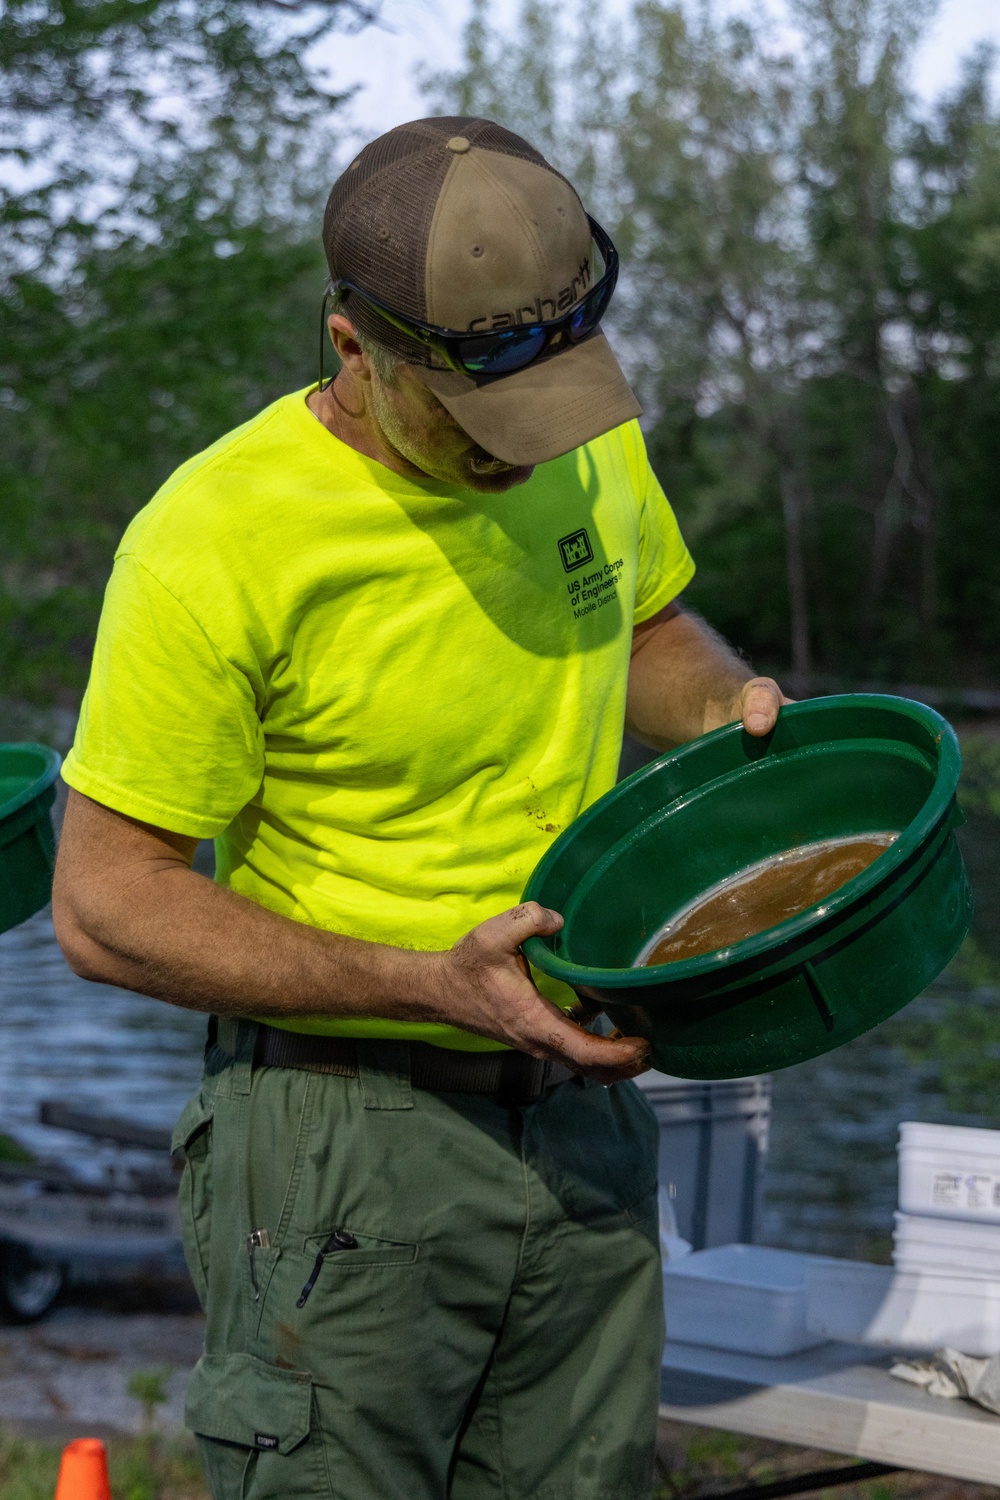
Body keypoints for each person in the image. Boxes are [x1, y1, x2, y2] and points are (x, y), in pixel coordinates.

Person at [53, 116, 787, 1500]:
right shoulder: (213, 538)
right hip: (341, 1142)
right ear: (352, 347)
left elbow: (645, 623)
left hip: (585, 1111)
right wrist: (425, 982)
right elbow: (104, 904)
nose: (525, 453)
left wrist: (731, 708)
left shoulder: (576, 441)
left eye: (553, 403)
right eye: (478, 418)